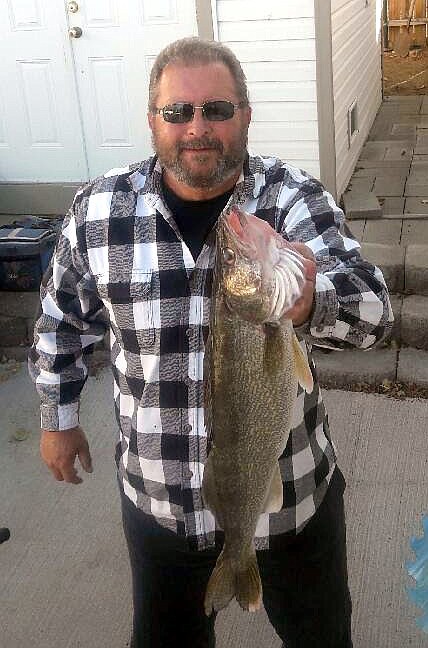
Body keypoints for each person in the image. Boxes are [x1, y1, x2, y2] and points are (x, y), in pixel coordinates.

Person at [29, 36, 393, 648]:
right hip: (159, 505)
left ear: (245, 116)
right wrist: (57, 419)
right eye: (178, 112)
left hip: (291, 504)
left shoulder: (291, 198)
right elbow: (61, 321)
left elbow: (375, 311)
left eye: (217, 110)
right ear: (153, 121)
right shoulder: (98, 210)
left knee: (322, 638)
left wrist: (309, 300)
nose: (198, 127)